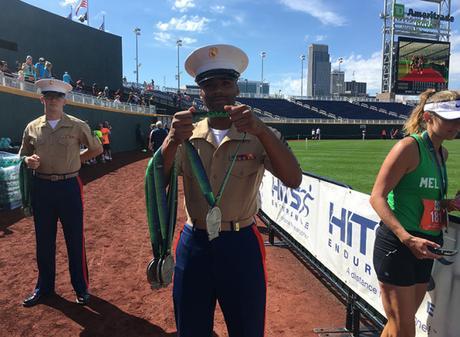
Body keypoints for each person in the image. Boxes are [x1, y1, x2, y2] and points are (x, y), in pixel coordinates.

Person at [160, 44, 302, 337]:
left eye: (225, 83)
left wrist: (261, 130)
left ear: (237, 87)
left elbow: (293, 178)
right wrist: (171, 141)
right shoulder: (187, 136)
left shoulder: (259, 133)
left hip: (240, 244)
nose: (218, 91)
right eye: (209, 85)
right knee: (191, 328)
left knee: (246, 329)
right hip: (195, 242)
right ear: (199, 92)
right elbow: (157, 183)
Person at [370, 89, 460, 337]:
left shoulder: (443, 153)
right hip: (400, 245)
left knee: (401, 323)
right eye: (450, 118)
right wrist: (406, 238)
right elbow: (376, 197)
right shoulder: (408, 147)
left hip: (426, 245)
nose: (456, 124)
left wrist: (450, 204)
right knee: (405, 329)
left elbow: (427, 200)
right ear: (429, 117)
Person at [19, 79, 103, 307]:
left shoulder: (77, 125)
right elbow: (22, 156)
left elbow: (97, 148)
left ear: (64, 100)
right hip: (42, 187)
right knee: (43, 241)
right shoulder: (32, 127)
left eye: (57, 96)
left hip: (69, 187)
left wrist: (76, 161)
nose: (53, 100)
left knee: (74, 239)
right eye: (49, 96)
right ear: (42, 99)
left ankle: (81, 287)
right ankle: (44, 288)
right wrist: (28, 161)